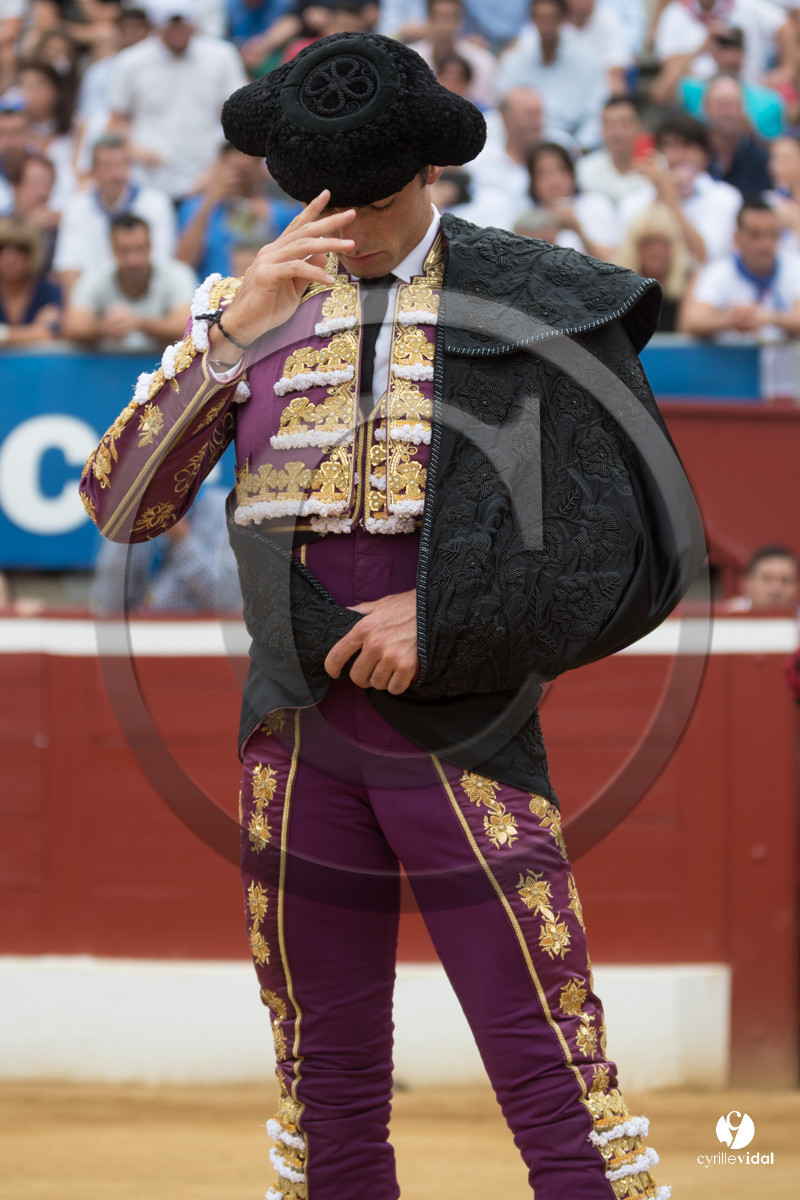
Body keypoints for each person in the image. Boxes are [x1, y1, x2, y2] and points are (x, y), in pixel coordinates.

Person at [80, 31, 703, 1200]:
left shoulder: (530, 299)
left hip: (458, 729)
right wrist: (230, 342)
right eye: (320, 200)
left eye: (369, 199)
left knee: (548, 1074)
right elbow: (122, 506)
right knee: (326, 1093)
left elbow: (629, 542)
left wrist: (450, 615)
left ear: (430, 173)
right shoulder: (250, 309)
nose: (347, 226)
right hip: (297, 728)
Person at [106, 0, 247, 203]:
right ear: (157, 24)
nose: (177, 30)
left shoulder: (222, 56)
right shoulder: (130, 62)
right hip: (147, 183)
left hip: (208, 181)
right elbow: (116, 122)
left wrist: (218, 168)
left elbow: (237, 121)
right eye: (171, 23)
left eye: (183, 22)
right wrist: (136, 151)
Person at [680, 196, 800, 399]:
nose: (765, 244)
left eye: (772, 235)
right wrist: (731, 319)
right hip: (731, 390)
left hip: (788, 392)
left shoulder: (793, 267)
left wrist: (769, 318)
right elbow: (692, 321)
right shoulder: (718, 271)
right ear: (737, 238)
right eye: (755, 235)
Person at [93, 483, 242, 614]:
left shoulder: (225, 511)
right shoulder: (131, 510)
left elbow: (226, 600)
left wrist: (180, 535)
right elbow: (111, 602)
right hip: (141, 637)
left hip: (198, 639)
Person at [54, 135, 176, 295]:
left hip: (144, 300)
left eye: (122, 164)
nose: (116, 174)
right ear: (93, 171)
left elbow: (161, 264)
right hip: (91, 302)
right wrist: (83, 308)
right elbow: (68, 267)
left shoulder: (157, 204)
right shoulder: (75, 207)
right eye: (107, 165)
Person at [63, 212, 196, 352]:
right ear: (113, 250)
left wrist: (139, 323)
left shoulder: (177, 274)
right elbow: (72, 325)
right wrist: (105, 328)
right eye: (124, 250)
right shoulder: (96, 279)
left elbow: (186, 326)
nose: (133, 259)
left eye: (139, 248)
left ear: (150, 247)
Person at [619, 113, 742, 265]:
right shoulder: (634, 200)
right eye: (668, 146)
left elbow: (705, 258)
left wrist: (669, 197)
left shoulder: (725, 197)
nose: (676, 155)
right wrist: (660, 191)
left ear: (705, 155)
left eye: (686, 146)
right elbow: (631, 257)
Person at [175, 142, 300, 280]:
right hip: (209, 294)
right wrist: (209, 202)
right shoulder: (194, 208)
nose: (239, 179)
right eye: (233, 169)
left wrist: (266, 220)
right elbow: (182, 265)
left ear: (259, 169)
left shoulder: (280, 212)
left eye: (246, 170)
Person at [494, 0, 607, 150]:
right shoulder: (515, 59)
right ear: (532, 20)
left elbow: (596, 112)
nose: (546, 25)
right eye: (540, 18)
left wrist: (580, 148)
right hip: (521, 145)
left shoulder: (587, 58)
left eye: (551, 18)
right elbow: (503, 108)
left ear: (564, 19)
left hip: (572, 146)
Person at [650, 0, 794, 108]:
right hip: (700, 105)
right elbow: (662, 92)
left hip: (751, 97)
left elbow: (784, 25)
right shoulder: (676, 14)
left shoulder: (747, 5)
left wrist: (787, 70)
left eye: (734, 44)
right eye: (723, 45)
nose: (729, 54)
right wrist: (700, 48)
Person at [678, 25, 786, 140]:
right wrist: (699, 49)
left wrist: (748, 131)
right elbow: (661, 94)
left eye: (737, 49)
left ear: (745, 55)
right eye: (725, 48)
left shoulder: (769, 100)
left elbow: (778, 149)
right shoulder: (693, 89)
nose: (731, 57)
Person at [524, 140, 620, 258]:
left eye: (561, 169)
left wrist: (578, 230)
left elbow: (615, 262)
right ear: (533, 181)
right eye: (544, 173)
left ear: (572, 173)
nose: (554, 181)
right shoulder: (525, 215)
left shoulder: (597, 205)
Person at [616, 202, 691, 332]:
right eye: (648, 242)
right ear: (634, 248)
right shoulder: (618, 291)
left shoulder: (688, 284)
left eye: (664, 242)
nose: (656, 251)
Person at [409, 0, 497, 110]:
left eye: (451, 17)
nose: (445, 26)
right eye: (438, 17)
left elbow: (486, 110)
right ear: (428, 19)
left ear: (462, 21)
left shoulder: (483, 62)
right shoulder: (410, 59)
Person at [575, 95, 649, 209]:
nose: (617, 132)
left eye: (625, 124)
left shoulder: (658, 167)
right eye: (609, 125)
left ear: (640, 126)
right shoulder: (585, 170)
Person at [703, 73, 772, 195]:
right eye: (721, 105)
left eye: (734, 105)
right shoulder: (696, 149)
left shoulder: (759, 156)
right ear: (707, 108)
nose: (728, 113)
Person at [0, 213, 61, 344]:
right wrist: (30, 333)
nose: (10, 257)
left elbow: (46, 334)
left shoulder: (49, 291)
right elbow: (37, 333)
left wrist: (3, 334)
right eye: (2, 247)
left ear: (33, 253)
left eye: (21, 248)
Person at [721, 543, 800, 610]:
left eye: (786, 580)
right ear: (747, 584)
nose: (776, 590)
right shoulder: (726, 618)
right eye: (766, 579)